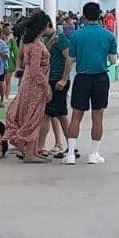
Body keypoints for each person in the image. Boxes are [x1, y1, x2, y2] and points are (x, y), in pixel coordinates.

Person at [63, 1, 116, 165]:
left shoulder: (76, 35)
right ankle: (94, 154)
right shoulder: (108, 35)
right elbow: (113, 61)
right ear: (100, 15)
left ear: (83, 16)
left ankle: (71, 153)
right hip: (100, 77)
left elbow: (70, 59)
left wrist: (64, 77)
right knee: (98, 116)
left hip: (82, 77)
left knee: (76, 116)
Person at [5, 10, 52, 163]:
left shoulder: (27, 42)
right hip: (35, 85)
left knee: (29, 114)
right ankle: (30, 153)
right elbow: (35, 70)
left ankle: (32, 150)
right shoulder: (37, 45)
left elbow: (27, 64)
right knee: (34, 115)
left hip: (27, 82)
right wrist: (46, 86)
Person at [41, 17, 73, 157]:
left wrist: (64, 78)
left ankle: (71, 146)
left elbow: (69, 58)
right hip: (49, 80)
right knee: (46, 114)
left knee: (61, 115)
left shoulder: (60, 38)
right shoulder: (46, 40)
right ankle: (41, 146)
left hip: (57, 80)